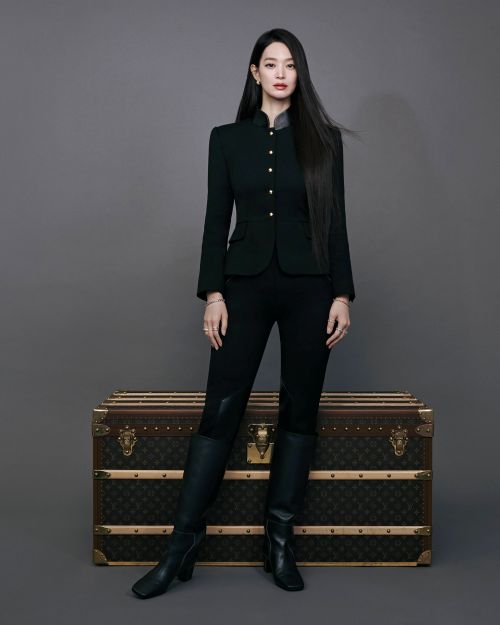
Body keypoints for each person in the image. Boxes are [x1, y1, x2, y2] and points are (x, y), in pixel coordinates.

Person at [132, 27, 356, 599]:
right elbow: (215, 221)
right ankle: (181, 545)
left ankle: (278, 542)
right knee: (221, 410)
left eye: (290, 64)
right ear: (254, 72)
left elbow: (335, 222)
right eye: (270, 64)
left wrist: (342, 295)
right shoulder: (226, 139)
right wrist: (213, 294)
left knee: (300, 410)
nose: (281, 73)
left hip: (310, 289)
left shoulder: (325, 140)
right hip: (245, 288)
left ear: (299, 74)